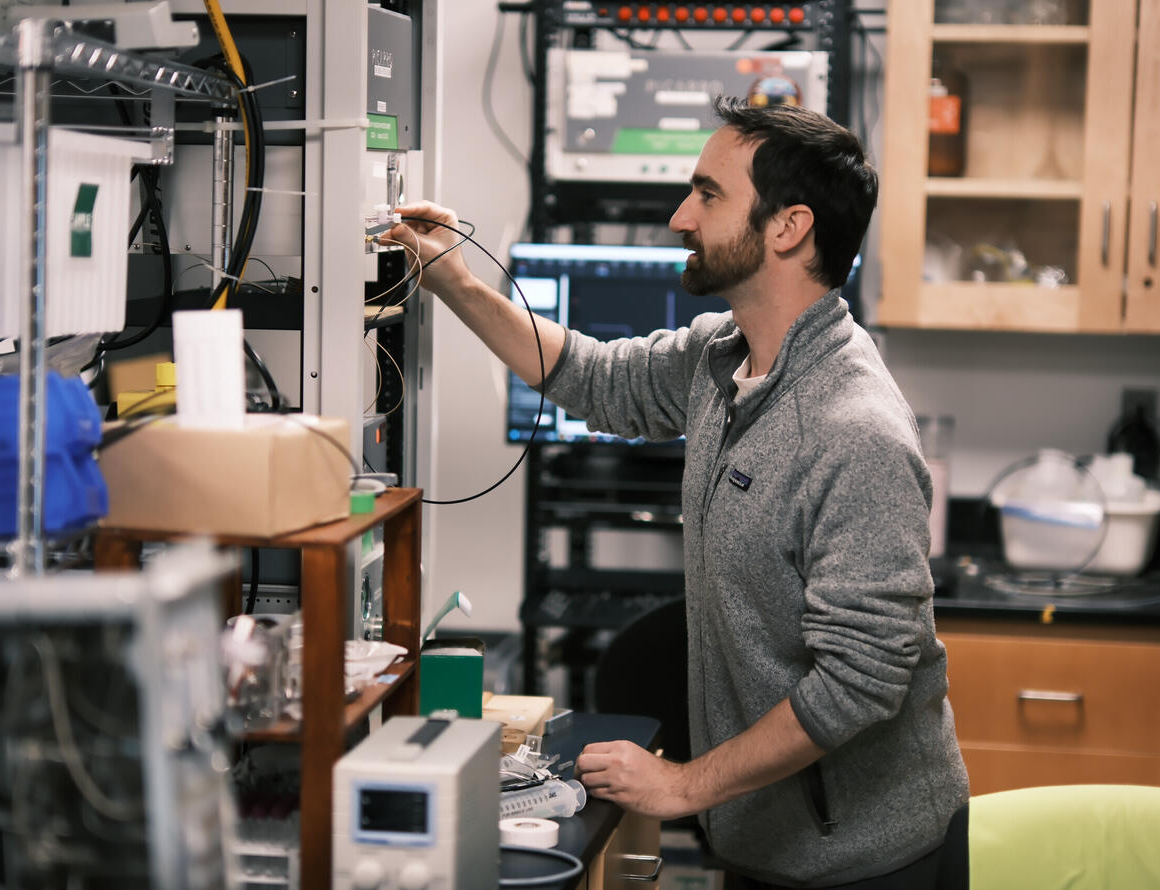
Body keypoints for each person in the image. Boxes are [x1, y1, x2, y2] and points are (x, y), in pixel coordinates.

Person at [389, 96, 969, 889]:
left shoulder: (851, 429)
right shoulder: (722, 358)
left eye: (708, 194)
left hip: (863, 860)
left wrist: (683, 786)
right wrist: (452, 280)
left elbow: (859, 683)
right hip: (765, 837)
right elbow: (593, 378)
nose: (677, 218)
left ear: (788, 227)